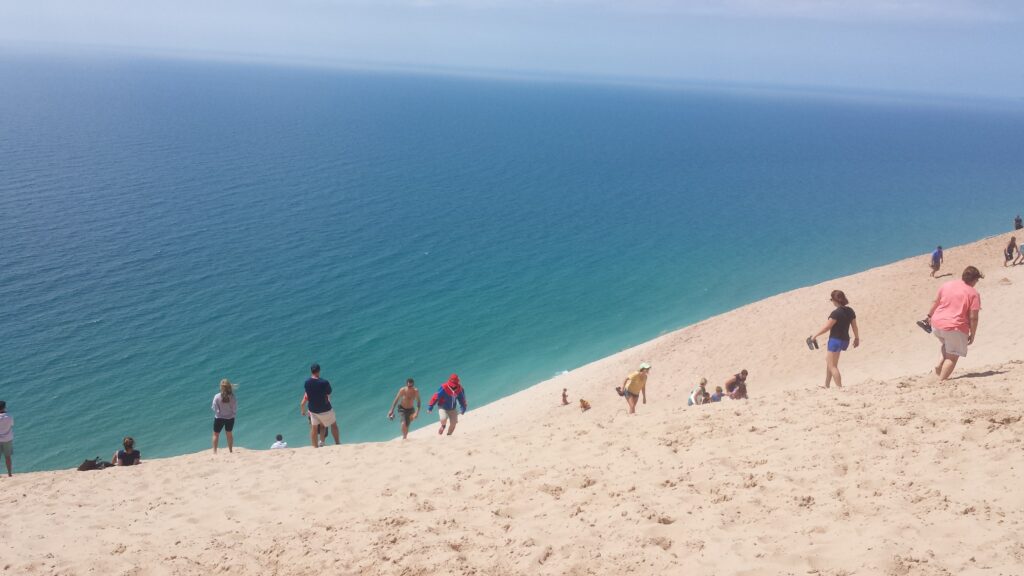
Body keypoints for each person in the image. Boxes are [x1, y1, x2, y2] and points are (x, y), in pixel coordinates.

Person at [925, 266, 983, 381]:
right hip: (955, 326)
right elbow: (974, 317)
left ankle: (939, 364)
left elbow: (936, 302)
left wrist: (929, 315)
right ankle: (941, 381)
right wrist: (972, 334)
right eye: (977, 280)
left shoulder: (947, 285)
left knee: (947, 345)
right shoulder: (973, 294)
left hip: (937, 323)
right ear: (974, 279)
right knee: (953, 356)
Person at [809, 290, 860, 389]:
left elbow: (827, 327)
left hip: (835, 341)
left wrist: (814, 336)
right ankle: (827, 385)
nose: (831, 301)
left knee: (833, 366)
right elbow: (855, 326)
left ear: (835, 300)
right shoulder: (850, 311)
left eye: (831, 299)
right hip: (845, 340)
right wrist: (857, 338)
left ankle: (839, 388)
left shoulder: (836, 313)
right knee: (829, 361)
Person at [302, 363, 340, 447]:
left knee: (314, 428)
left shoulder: (306, 383)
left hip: (313, 410)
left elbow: (307, 394)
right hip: (325, 408)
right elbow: (329, 392)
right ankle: (337, 443)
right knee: (333, 424)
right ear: (319, 371)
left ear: (311, 371)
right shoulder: (324, 382)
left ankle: (314, 446)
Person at [211, 378, 237, 454]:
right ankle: (230, 451)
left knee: (216, 434)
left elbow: (214, 408)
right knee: (229, 434)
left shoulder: (217, 396)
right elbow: (234, 408)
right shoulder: (232, 397)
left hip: (219, 418)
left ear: (221, 387)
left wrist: (219, 413)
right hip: (230, 418)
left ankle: (215, 452)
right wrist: (232, 414)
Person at [0, 401, 12, 477]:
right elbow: (12, 424)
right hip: (7, 439)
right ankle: (9, 474)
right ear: (4, 407)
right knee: (7, 457)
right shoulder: (9, 416)